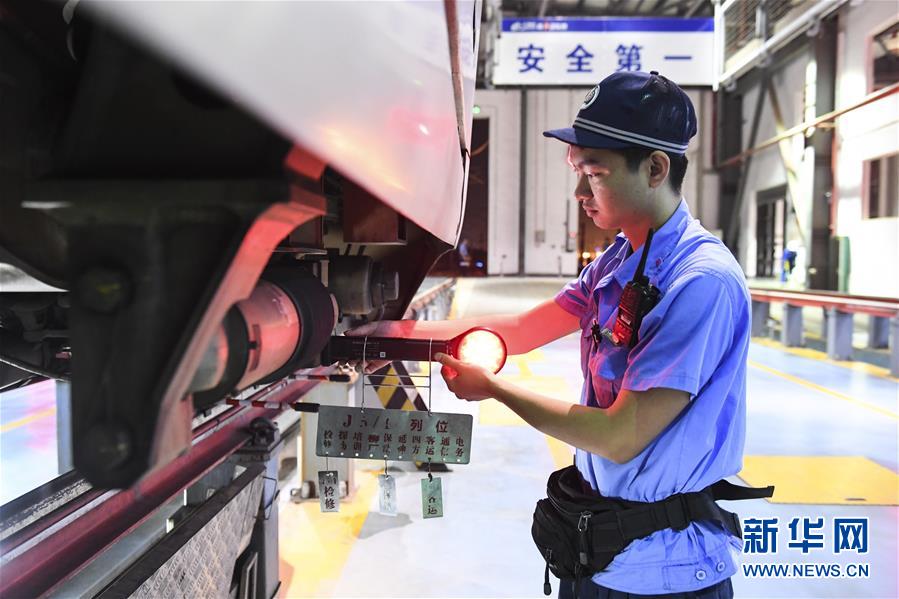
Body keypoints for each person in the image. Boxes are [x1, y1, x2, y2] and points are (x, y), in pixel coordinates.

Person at [351, 71, 751, 599]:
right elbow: (524, 329)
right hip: (598, 552)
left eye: (596, 173)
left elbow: (619, 435)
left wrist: (493, 388)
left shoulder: (700, 282)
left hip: (665, 574)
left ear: (655, 168)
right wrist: (392, 335)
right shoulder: (619, 260)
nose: (580, 192)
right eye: (577, 171)